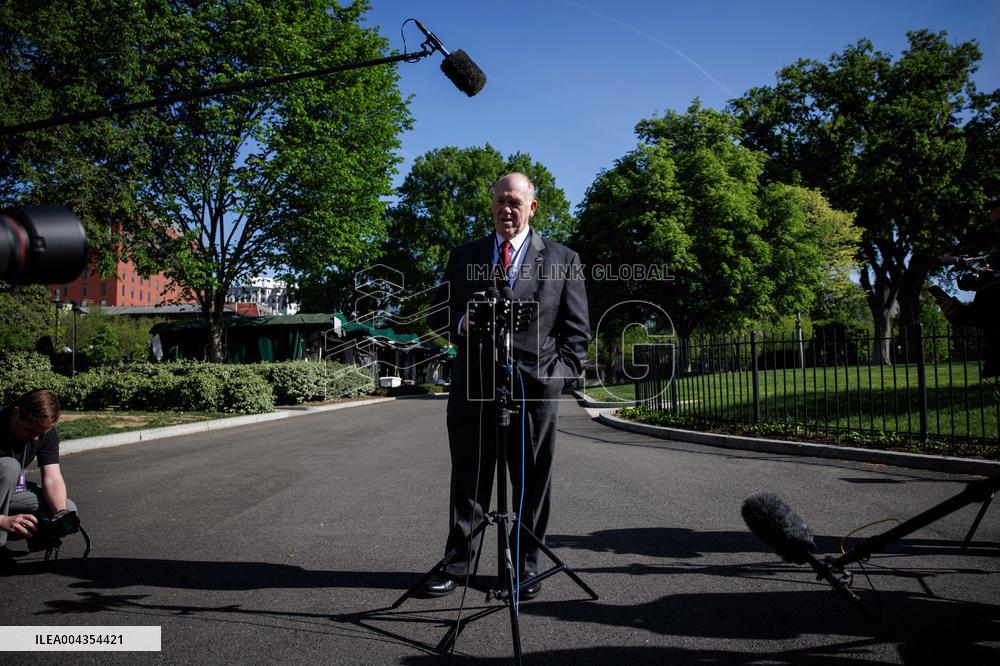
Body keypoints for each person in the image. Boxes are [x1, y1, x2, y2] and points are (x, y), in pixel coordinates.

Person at [422, 172, 590, 599]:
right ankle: (458, 566)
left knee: (532, 485)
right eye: (499, 201)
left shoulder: (562, 259)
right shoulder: (464, 256)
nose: (506, 210)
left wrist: (553, 381)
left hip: (534, 394)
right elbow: (436, 313)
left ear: (532, 207)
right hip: (473, 390)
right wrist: (462, 320)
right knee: (469, 481)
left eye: (514, 202)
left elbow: (576, 338)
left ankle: (526, 567)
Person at [0, 389, 77, 572]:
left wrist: (60, 513)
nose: (36, 438)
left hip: (9, 492)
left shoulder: (44, 432)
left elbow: (53, 478)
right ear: (16, 413)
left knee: (67, 508)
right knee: (9, 467)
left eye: (41, 434)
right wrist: (2, 521)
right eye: (31, 431)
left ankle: (38, 539)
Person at [933, 200, 1000, 378]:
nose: (995, 231)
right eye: (993, 225)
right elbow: (982, 315)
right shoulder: (992, 261)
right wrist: (957, 313)